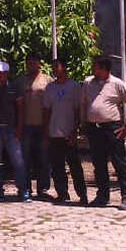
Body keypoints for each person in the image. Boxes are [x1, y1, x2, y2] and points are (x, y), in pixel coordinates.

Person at [80, 57, 126, 210]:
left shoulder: (117, 84)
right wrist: (83, 122)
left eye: (96, 67)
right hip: (94, 128)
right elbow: (84, 103)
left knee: (119, 162)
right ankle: (102, 196)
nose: (93, 70)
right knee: (98, 163)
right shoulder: (88, 83)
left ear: (104, 69)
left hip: (112, 128)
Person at [43, 58, 87, 205]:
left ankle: (82, 194)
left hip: (69, 133)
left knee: (75, 166)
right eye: (53, 67)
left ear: (64, 68)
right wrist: (46, 131)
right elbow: (47, 110)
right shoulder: (50, 88)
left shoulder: (74, 86)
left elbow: (77, 110)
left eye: (57, 66)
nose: (55, 70)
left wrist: (75, 130)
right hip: (54, 132)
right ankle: (62, 193)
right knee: (57, 167)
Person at [0, 61, 30, 202]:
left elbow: (21, 109)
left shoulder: (14, 88)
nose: (0, 76)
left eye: (3, 73)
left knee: (18, 161)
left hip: (11, 130)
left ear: (7, 74)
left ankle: (23, 190)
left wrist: (19, 128)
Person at [16, 54, 53, 198]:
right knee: (25, 159)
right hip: (26, 126)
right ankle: (25, 188)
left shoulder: (48, 81)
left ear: (39, 64)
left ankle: (43, 189)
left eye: (34, 63)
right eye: (28, 63)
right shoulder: (20, 81)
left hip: (43, 126)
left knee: (44, 158)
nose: (31, 65)